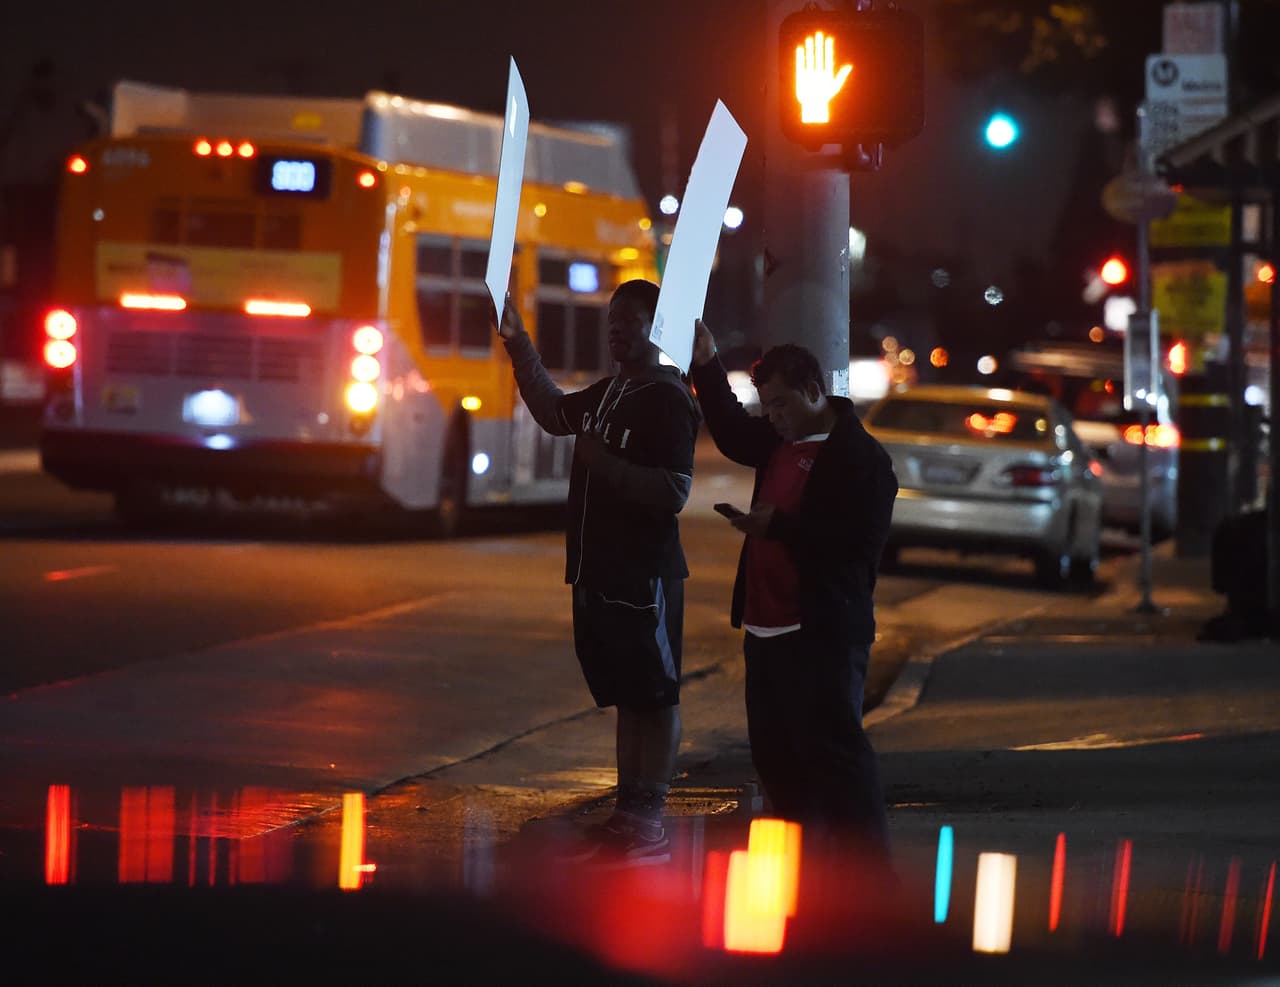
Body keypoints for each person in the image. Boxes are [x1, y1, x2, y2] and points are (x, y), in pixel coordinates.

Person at [493, 279, 700, 866]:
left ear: (656, 328)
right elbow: (554, 412)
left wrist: (602, 461)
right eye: (612, 319)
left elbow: (673, 491)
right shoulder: (612, 391)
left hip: (645, 575)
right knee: (628, 695)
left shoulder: (668, 398)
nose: (616, 328)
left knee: (655, 698)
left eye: (630, 319)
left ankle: (649, 822)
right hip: (599, 571)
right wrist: (517, 343)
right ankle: (627, 814)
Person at [689, 320, 898, 859]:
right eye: (768, 407)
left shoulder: (861, 458)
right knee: (776, 758)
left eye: (782, 405)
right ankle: (801, 875)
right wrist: (707, 363)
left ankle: (865, 881)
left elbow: (856, 548)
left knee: (834, 754)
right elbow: (734, 432)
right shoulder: (777, 440)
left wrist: (777, 528)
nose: (775, 418)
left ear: (813, 391)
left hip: (821, 630)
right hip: (765, 629)